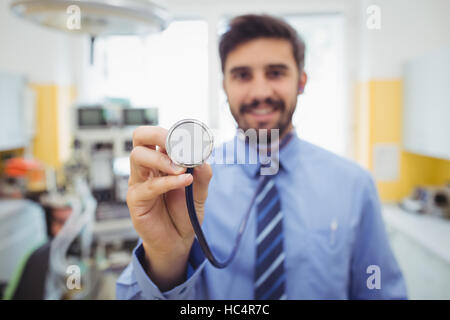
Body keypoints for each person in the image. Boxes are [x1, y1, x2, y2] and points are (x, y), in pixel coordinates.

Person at [116, 14, 407, 300]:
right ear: (224, 86)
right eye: (242, 75)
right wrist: (165, 258)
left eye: (276, 73)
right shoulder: (185, 186)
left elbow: (381, 293)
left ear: (302, 82)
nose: (260, 92)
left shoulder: (354, 185)